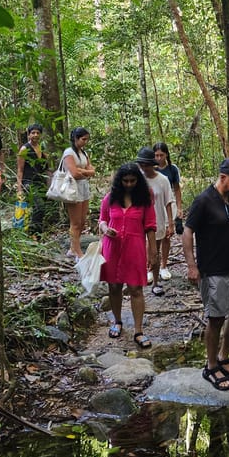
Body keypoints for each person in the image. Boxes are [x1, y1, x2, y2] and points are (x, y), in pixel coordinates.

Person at [183, 157, 229, 391]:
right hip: (213, 270)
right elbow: (187, 231)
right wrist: (192, 266)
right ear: (223, 177)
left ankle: (223, 357)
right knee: (216, 318)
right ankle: (210, 366)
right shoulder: (203, 200)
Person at [98, 163, 157, 348]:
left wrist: (153, 252)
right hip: (112, 247)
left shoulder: (144, 200)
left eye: (133, 181)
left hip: (135, 247)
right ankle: (117, 321)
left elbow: (150, 226)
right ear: (119, 181)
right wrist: (106, 229)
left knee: (136, 289)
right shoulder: (110, 198)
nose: (129, 184)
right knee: (114, 287)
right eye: (125, 181)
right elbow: (102, 220)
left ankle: (139, 331)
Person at [135, 147, 175, 296]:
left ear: (153, 164)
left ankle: (156, 280)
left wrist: (170, 223)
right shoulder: (137, 178)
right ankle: (145, 272)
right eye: (141, 164)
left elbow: (168, 201)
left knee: (155, 250)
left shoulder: (162, 180)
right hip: (138, 220)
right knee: (139, 248)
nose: (144, 167)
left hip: (157, 219)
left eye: (147, 164)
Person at [60, 127, 95, 259]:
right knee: (75, 222)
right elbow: (74, 173)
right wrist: (85, 172)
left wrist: (83, 171)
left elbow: (91, 170)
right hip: (73, 189)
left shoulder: (84, 153)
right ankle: (77, 251)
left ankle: (73, 248)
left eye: (87, 139)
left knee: (81, 221)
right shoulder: (69, 153)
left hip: (84, 188)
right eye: (83, 139)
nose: (85, 142)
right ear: (76, 138)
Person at [153, 142, 183, 280]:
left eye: (161, 155)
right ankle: (152, 266)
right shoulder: (151, 169)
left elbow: (176, 188)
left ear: (166, 155)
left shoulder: (172, 169)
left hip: (169, 203)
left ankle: (164, 265)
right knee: (153, 236)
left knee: (166, 235)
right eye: (156, 155)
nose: (159, 158)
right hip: (154, 204)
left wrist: (179, 207)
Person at [16, 124, 50, 236]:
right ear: (29, 134)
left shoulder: (42, 148)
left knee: (40, 208)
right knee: (39, 206)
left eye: (38, 133)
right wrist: (19, 189)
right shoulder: (24, 149)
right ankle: (34, 233)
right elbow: (20, 170)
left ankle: (37, 233)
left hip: (40, 182)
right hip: (28, 182)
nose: (35, 135)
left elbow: (46, 169)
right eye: (33, 133)